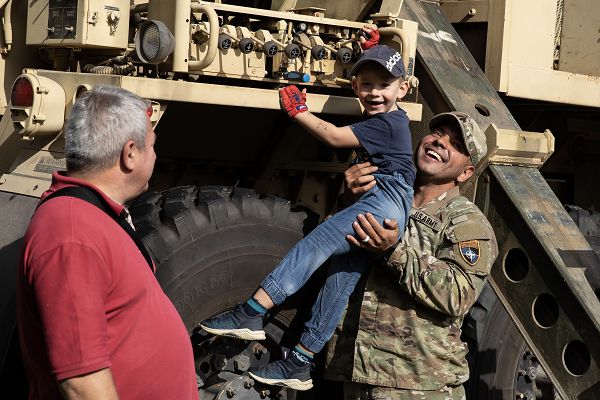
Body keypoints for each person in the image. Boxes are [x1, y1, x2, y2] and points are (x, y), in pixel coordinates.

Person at [200, 33, 415, 390]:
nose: (375, 93)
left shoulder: (387, 124)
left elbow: (331, 136)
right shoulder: (389, 119)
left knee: (315, 245)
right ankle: (300, 361)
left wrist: (299, 111)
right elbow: (375, 79)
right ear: (354, 85)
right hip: (388, 205)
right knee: (339, 281)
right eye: (366, 84)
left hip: (383, 200)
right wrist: (369, 50)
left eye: (385, 85)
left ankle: (251, 312)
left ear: (403, 89)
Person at [16, 86, 197, 400]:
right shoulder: (72, 235)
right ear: (130, 153)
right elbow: (82, 384)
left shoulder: (91, 216)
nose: (155, 154)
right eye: (152, 145)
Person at [323, 111, 499, 399]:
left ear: (465, 172)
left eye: (455, 144)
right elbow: (327, 255)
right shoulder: (381, 195)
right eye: (438, 133)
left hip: (418, 385)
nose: (441, 142)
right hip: (355, 376)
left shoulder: (465, 222)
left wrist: (393, 251)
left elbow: (458, 293)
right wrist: (347, 201)